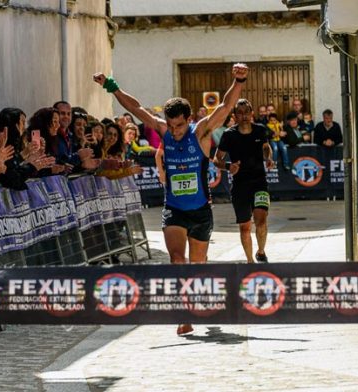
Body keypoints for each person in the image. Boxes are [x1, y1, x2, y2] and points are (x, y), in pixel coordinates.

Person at [94, 62, 248, 336]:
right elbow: (136, 109)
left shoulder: (199, 132)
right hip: (174, 210)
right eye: (172, 126)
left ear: (188, 120)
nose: (175, 132)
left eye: (179, 126)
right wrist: (111, 87)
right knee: (177, 260)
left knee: (197, 267)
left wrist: (239, 81)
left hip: (201, 211)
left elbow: (224, 108)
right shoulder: (164, 130)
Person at [214, 98, 274, 264]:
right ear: (234, 116)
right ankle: (250, 261)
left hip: (259, 182)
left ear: (252, 114)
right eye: (240, 113)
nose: (244, 116)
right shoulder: (229, 135)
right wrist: (228, 166)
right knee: (245, 226)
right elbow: (216, 159)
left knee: (261, 221)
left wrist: (268, 158)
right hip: (240, 185)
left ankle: (261, 252)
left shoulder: (260, 130)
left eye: (247, 112)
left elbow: (265, 147)